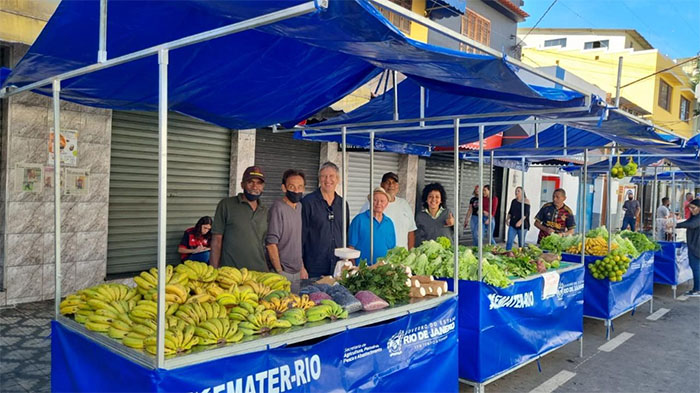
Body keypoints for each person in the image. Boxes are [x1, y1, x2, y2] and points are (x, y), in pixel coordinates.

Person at [210, 166, 269, 271]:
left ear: (263, 187)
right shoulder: (226, 205)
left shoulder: (265, 211)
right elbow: (216, 240)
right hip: (231, 273)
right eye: (250, 182)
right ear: (242, 184)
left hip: (260, 273)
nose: (255, 187)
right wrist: (213, 270)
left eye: (259, 183)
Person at [301, 162, 349, 278]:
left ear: (337, 179)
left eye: (331, 176)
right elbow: (300, 236)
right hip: (314, 266)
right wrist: (301, 267)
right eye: (324, 176)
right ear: (319, 179)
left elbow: (345, 234)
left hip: (338, 265)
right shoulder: (308, 202)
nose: (328, 180)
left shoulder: (343, 204)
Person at [266, 169, 308, 289]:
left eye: (300, 187)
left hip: (297, 271)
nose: (296, 191)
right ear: (284, 188)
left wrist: (302, 267)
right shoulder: (277, 208)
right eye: (292, 186)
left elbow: (296, 240)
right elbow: (271, 243)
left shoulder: (299, 207)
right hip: (283, 273)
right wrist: (279, 272)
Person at [360, 172, 417, 249]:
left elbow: (411, 231)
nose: (391, 185)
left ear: (398, 186)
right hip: (379, 256)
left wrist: (410, 252)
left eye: (394, 182)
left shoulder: (404, 204)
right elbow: (361, 229)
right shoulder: (371, 204)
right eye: (387, 182)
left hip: (402, 256)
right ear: (381, 185)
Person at [349, 187, 396, 264]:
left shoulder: (389, 223)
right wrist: (354, 268)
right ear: (370, 201)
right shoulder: (359, 220)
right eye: (375, 200)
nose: (378, 204)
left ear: (387, 204)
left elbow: (391, 249)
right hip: (362, 269)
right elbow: (351, 247)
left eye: (382, 201)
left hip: (382, 270)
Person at [675, 199, 700, 296]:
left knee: (696, 267)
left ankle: (697, 289)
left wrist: (675, 224)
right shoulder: (694, 216)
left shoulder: (698, 218)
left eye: (693, 208)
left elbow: (691, 225)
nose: (691, 210)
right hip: (693, 244)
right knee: (696, 267)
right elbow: (688, 222)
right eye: (690, 208)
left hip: (696, 245)